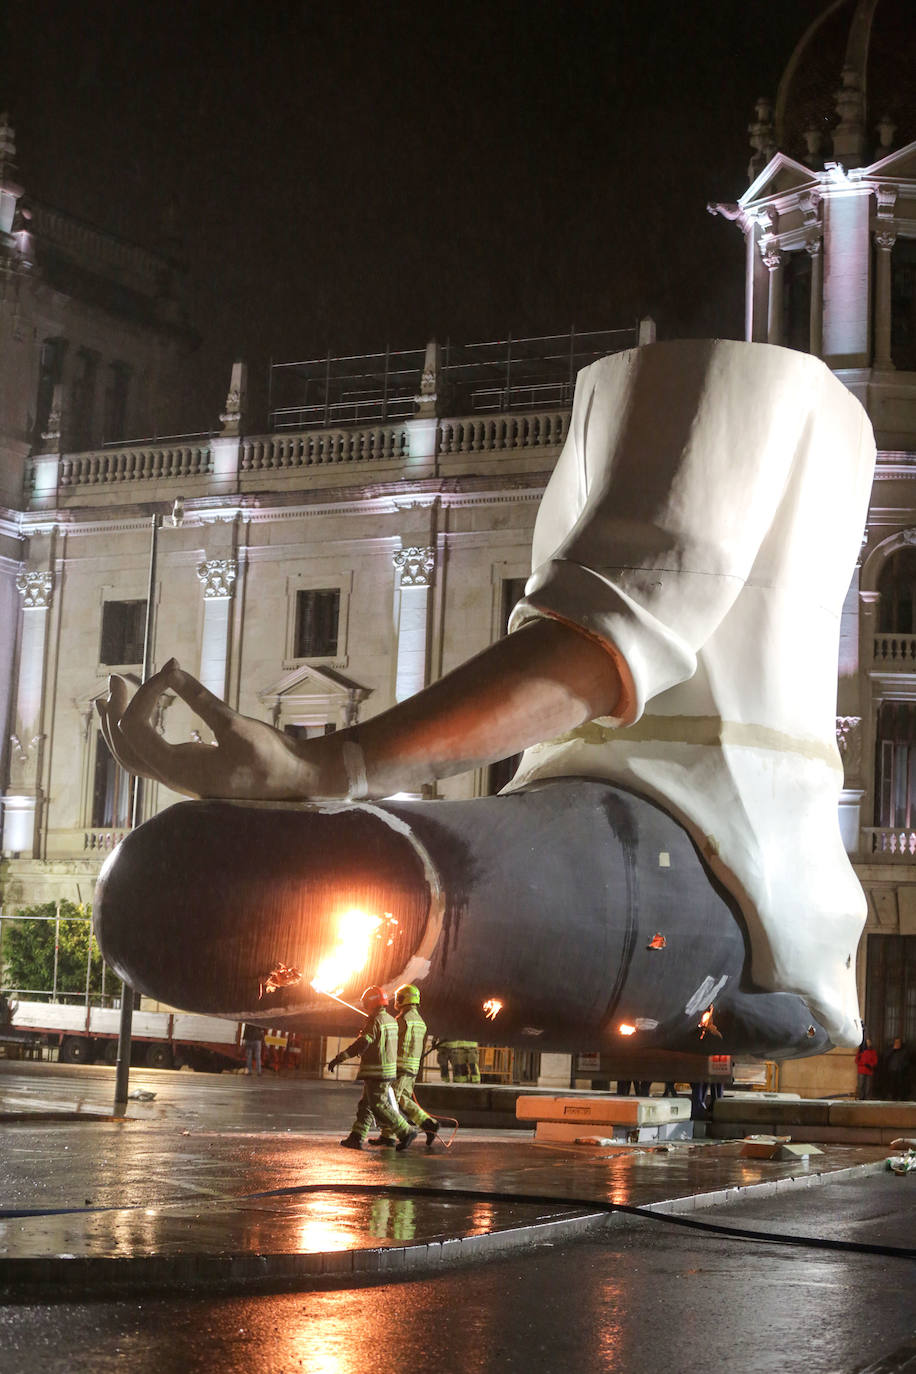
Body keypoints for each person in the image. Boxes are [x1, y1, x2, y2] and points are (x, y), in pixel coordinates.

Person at [96, 341, 876, 1051]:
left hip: (713, 830)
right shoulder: (710, 403)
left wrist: (324, 765)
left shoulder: (747, 392)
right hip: (625, 813)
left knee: (198, 885)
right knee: (201, 888)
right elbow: (604, 638)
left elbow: (600, 650)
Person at [327, 986, 419, 1151]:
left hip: (377, 1071)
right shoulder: (390, 1019)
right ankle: (356, 1137)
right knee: (366, 1105)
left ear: (370, 1002)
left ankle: (406, 1131)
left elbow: (363, 1042)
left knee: (379, 1105)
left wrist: (339, 1058)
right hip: (386, 1071)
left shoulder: (375, 1020)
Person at [371, 983, 442, 1149]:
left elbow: (391, 1040)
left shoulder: (402, 1020)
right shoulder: (420, 1022)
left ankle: (388, 1136)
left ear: (403, 999)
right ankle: (429, 1124)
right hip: (412, 1069)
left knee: (390, 1101)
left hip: (399, 1068)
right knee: (403, 1100)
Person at [883, 1037, 910, 1101]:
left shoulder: (904, 1051)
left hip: (901, 1071)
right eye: (896, 1042)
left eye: (898, 1042)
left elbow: (907, 1061)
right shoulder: (890, 1050)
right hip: (892, 1070)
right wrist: (892, 1050)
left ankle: (901, 1098)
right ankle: (893, 1097)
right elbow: (885, 1057)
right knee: (892, 1085)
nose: (897, 1044)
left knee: (900, 1085)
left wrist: (903, 1067)